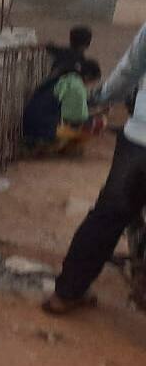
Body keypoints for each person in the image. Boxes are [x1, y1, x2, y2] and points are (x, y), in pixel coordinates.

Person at [45, 22, 146, 315]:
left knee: (107, 215)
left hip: (139, 140)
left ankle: (66, 293)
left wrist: (102, 97)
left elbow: (129, 71)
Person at [21, 58, 104, 155]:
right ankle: (51, 146)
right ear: (88, 77)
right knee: (98, 124)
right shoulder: (76, 85)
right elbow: (76, 117)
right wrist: (94, 116)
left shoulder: (65, 78)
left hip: (33, 124)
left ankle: (47, 145)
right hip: (44, 128)